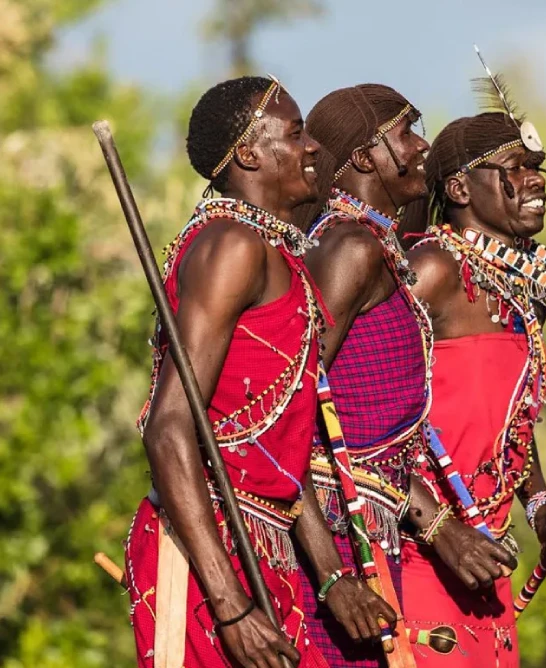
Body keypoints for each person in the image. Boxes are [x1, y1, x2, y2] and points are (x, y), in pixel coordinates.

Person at [125, 76, 390, 668]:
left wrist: (330, 578)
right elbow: (167, 428)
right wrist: (230, 606)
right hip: (208, 558)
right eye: (295, 133)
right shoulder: (231, 247)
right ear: (248, 152)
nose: (314, 147)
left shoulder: (278, 256)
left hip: (261, 549)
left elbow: (279, 451)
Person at [291, 84, 517, 666]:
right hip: (339, 535)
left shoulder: (376, 247)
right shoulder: (349, 249)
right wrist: (334, 576)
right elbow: (293, 407)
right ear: (365, 157)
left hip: (369, 528)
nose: (422, 146)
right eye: (407, 132)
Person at [399, 108, 546, 665]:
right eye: (513, 166)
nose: (534, 181)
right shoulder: (430, 272)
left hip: (487, 556)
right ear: (458, 187)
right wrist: (439, 528)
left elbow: (510, 426)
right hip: (418, 552)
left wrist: (542, 509)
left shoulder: (526, 289)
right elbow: (359, 423)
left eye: (537, 168)